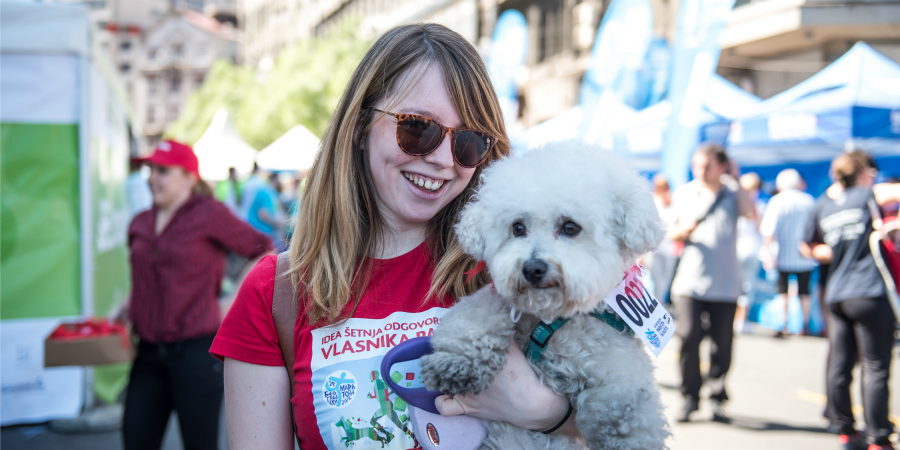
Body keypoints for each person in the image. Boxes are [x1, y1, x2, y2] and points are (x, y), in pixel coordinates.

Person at [210, 24, 583, 450]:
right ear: (360, 126)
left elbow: (622, 414)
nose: (443, 160)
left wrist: (546, 412)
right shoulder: (275, 292)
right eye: (418, 128)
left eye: (468, 142)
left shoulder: (519, 273)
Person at [111, 140, 274, 450]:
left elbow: (264, 250)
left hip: (196, 354)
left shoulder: (208, 213)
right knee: (135, 440)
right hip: (147, 355)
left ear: (188, 177)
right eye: (150, 169)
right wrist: (126, 305)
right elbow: (149, 275)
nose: (152, 178)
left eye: (163, 171)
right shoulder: (140, 222)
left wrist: (232, 303)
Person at [802, 150, 899, 450]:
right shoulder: (867, 194)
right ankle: (879, 438)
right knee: (875, 367)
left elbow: (807, 246)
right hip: (869, 291)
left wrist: (839, 248)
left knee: (840, 364)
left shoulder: (824, 205)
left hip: (837, 293)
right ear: (862, 173)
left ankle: (846, 432)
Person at [667, 143, 757, 422]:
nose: (700, 171)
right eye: (697, 166)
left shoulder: (733, 193)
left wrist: (736, 180)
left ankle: (717, 395)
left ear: (722, 167)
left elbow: (751, 214)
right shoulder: (685, 193)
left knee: (722, 343)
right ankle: (690, 396)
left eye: (707, 166)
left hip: (725, 283)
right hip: (690, 281)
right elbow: (669, 231)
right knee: (688, 336)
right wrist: (682, 231)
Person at [760, 168, 817, 337]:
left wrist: (766, 251)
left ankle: (783, 324)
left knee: (782, 290)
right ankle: (804, 325)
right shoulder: (808, 200)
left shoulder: (777, 201)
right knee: (804, 290)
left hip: (782, 254)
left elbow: (768, 230)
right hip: (805, 254)